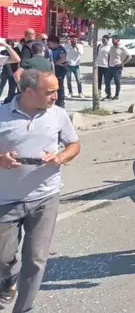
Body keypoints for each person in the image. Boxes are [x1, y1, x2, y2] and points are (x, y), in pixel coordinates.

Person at [0, 69, 81, 312]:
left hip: (45, 197)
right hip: (5, 200)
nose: (56, 96)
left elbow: (74, 145)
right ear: (29, 91)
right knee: (3, 258)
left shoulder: (58, 115)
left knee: (36, 260)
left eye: (56, 90)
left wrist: (60, 157)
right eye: (50, 92)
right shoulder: (2, 114)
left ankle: (23, 309)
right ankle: (9, 277)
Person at [104, 36, 130, 101]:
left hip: (117, 67)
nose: (113, 41)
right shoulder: (112, 47)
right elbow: (109, 55)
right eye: (112, 40)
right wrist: (108, 63)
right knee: (107, 81)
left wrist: (122, 63)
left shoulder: (122, 48)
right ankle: (108, 94)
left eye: (114, 40)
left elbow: (129, 56)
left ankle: (116, 95)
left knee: (117, 81)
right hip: (110, 66)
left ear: (118, 40)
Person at [47, 36, 67, 109]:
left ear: (54, 43)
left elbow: (63, 58)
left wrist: (54, 63)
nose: (48, 45)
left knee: (60, 87)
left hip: (59, 70)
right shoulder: (52, 49)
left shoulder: (60, 49)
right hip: (54, 70)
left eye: (49, 43)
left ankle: (61, 103)